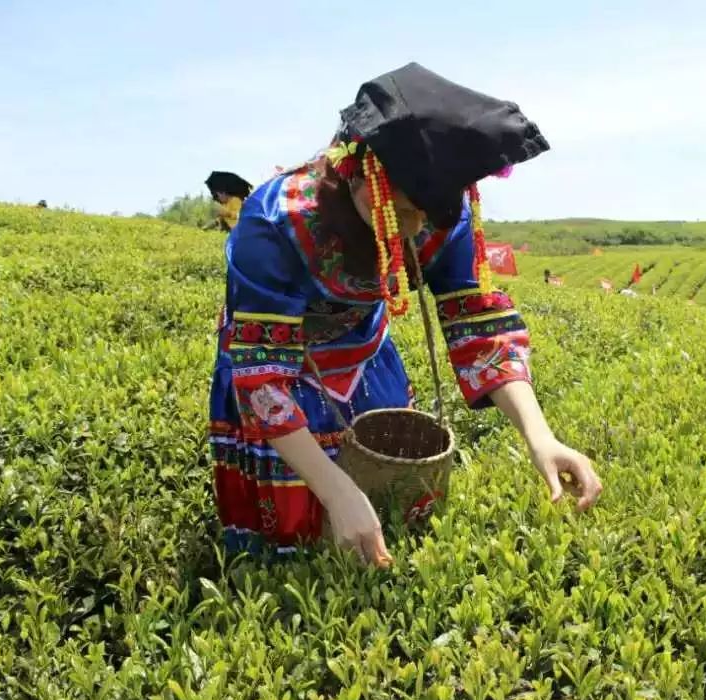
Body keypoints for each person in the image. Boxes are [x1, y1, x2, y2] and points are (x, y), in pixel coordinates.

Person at [209, 63, 603, 565]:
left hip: (366, 361)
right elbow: (262, 377)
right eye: (400, 208)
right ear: (361, 172)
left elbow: (478, 324)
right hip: (282, 365)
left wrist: (540, 437)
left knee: (394, 510)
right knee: (302, 539)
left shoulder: (442, 215)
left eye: (427, 214)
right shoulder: (275, 223)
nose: (414, 229)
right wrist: (337, 490)